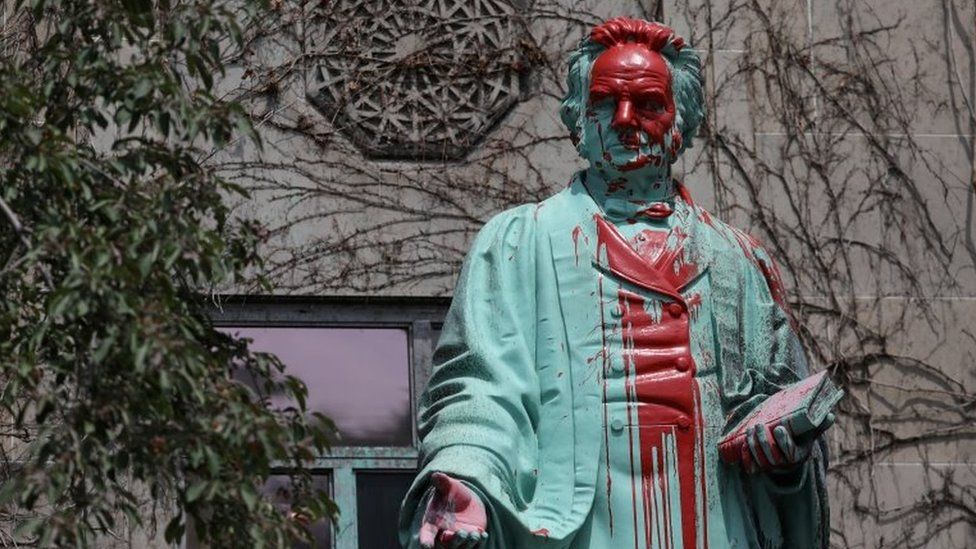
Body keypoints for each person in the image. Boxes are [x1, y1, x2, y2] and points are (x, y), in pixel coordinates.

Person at [398, 17, 831, 549]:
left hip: (715, 525)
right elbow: (479, 389)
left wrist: (785, 457)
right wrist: (465, 478)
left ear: (682, 121)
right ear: (579, 121)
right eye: (605, 104)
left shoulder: (740, 262)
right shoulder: (518, 242)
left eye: (648, 104)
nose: (625, 121)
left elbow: (786, 416)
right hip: (579, 527)